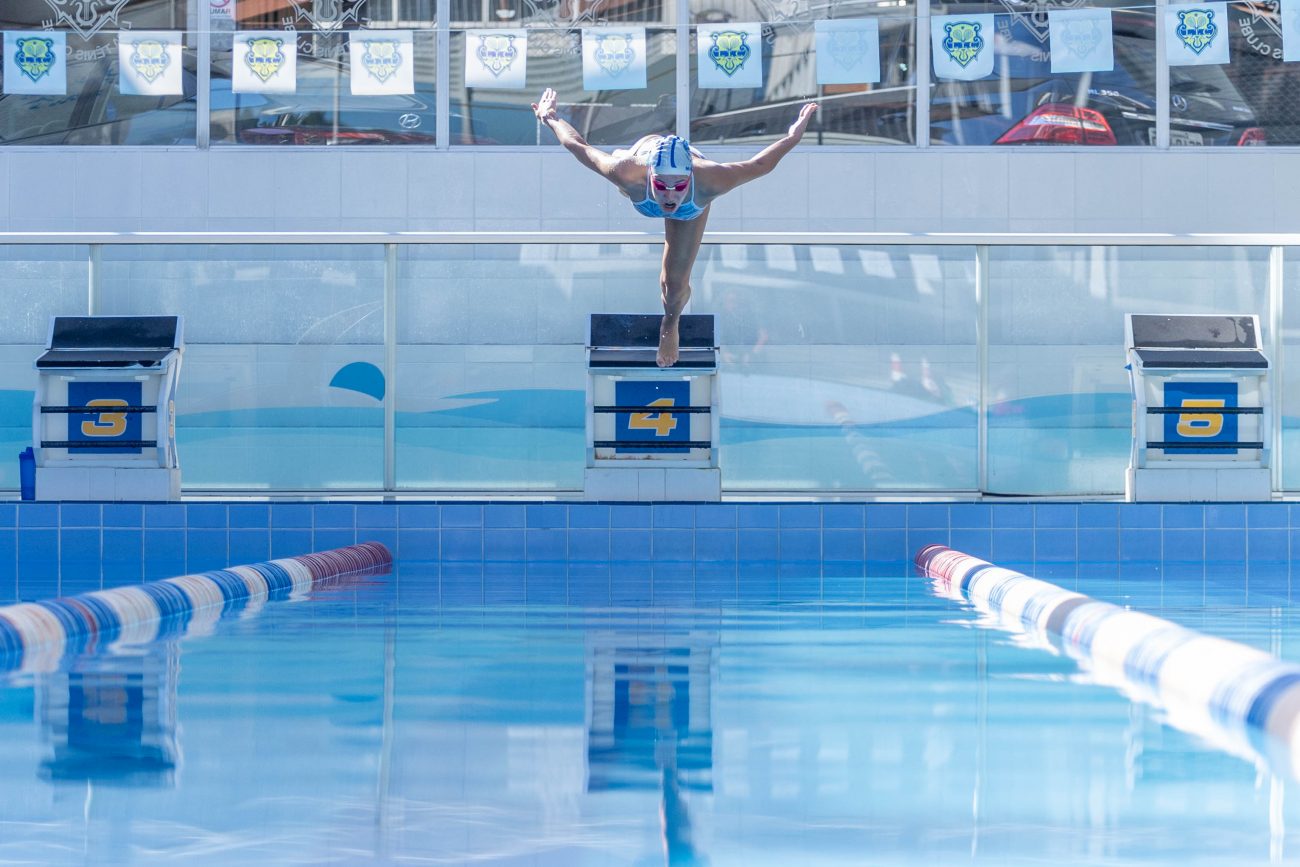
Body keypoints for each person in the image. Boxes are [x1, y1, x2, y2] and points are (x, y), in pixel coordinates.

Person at [531, 88, 818, 366]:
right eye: (662, 185)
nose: (670, 196)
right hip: (642, 154)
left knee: (674, 283)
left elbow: (760, 164)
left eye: (678, 186)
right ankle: (633, 162)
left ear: (689, 179)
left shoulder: (710, 180)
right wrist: (551, 117)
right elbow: (579, 146)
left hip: (692, 196)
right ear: (650, 176)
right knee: (622, 176)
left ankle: (670, 324)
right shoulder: (629, 173)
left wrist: (793, 136)